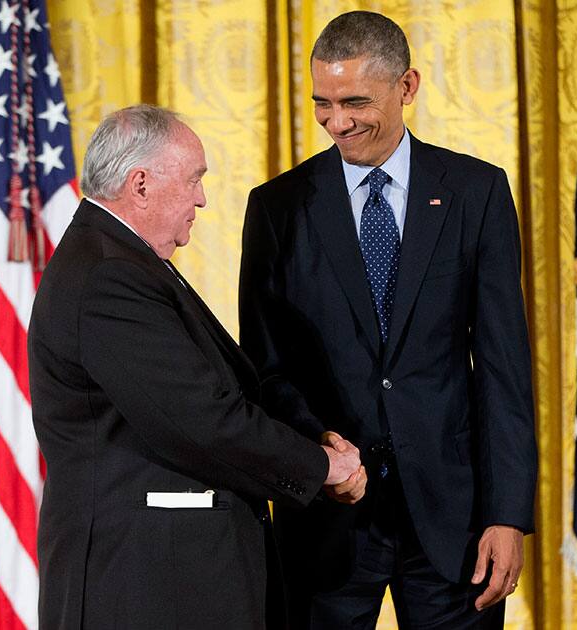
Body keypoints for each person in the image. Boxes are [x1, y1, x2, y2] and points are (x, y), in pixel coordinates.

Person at [239, 10, 537, 629]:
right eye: (322, 103)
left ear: (407, 87)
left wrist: (507, 515)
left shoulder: (476, 191)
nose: (336, 122)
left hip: (454, 523)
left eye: (354, 101)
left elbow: (504, 367)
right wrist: (318, 448)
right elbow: (266, 369)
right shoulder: (276, 207)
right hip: (326, 518)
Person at [28, 105, 366, 629]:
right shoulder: (108, 277)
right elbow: (202, 419)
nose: (201, 198)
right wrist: (320, 467)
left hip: (167, 582)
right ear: (140, 184)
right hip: (142, 587)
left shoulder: (126, 263)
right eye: (194, 179)